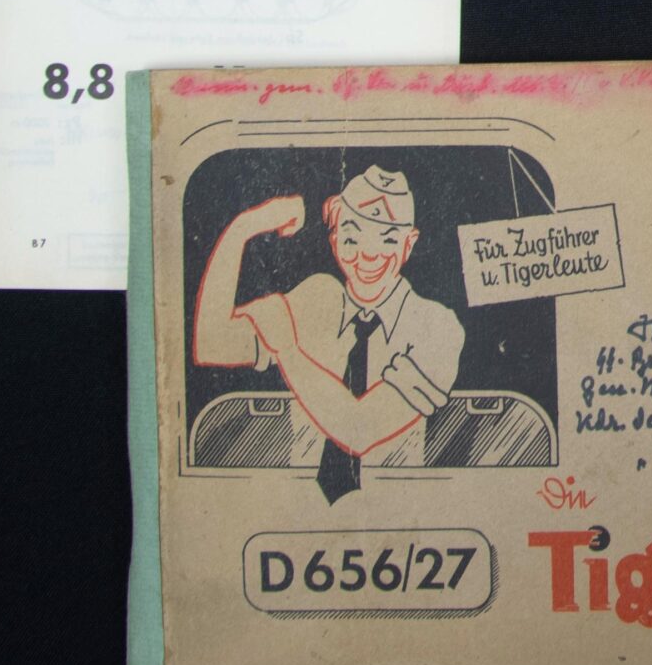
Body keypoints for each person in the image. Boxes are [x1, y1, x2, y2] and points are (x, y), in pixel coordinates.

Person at [193, 165, 464, 504]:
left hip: (399, 513)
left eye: (388, 239)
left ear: (409, 244)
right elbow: (211, 344)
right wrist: (242, 229)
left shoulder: (436, 326)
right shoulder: (317, 298)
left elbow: (359, 431)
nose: (368, 254)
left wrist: (288, 351)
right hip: (298, 510)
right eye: (352, 238)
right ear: (334, 240)